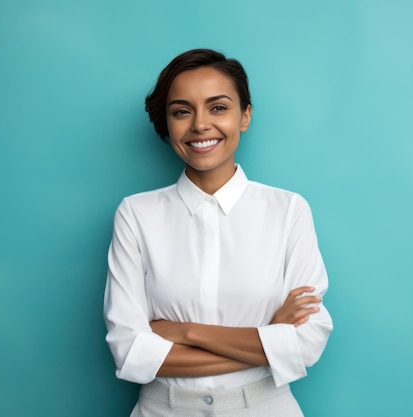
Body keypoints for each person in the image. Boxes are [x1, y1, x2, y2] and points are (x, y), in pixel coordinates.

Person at [103, 49, 333, 417]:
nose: (199, 125)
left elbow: (306, 344)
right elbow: (129, 351)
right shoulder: (136, 214)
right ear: (167, 123)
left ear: (245, 115)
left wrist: (186, 332)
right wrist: (268, 340)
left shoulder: (288, 210)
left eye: (218, 107)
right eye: (182, 111)